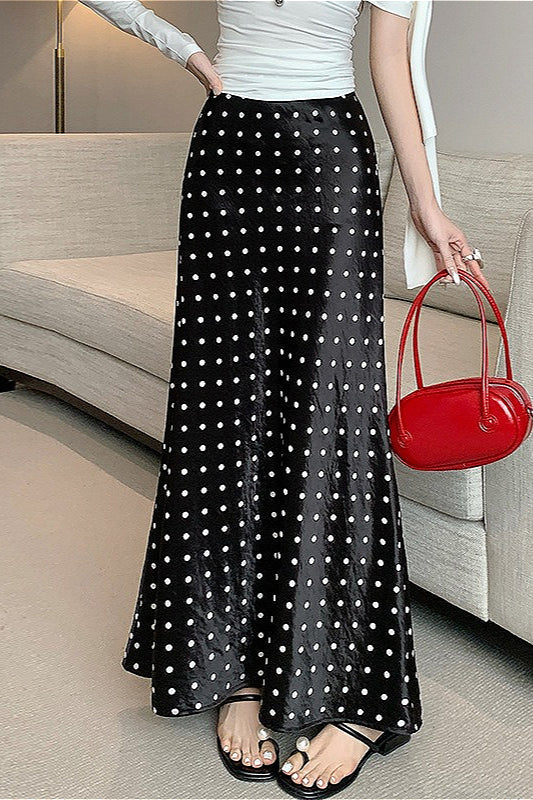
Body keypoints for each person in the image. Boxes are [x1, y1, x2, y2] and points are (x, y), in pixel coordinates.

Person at [78, 2, 488, 797]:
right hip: (226, 151)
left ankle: (361, 696)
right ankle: (231, 666)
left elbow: (390, 64)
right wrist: (183, 49)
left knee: (333, 418)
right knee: (219, 413)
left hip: (328, 157)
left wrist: (423, 201)